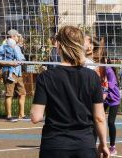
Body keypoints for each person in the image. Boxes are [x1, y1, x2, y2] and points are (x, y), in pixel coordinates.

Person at [31, 26, 110, 158]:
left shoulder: (45, 77)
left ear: (59, 47)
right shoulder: (92, 77)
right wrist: (103, 144)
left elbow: (35, 117)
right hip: (84, 145)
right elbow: (99, 117)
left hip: (54, 145)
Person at [94, 42, 121, 156]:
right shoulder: (99, 68)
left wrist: (102, 93)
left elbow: (109, 86)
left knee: (110, 122)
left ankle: (113, 146)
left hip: (114, 99)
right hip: (104, 98)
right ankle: (96, 143)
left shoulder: (108, 70)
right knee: (97, 119)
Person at [0, 29, 27, 122]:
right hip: (9, 73)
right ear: (13, 36)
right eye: (17, 36)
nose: (18, 37)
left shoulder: (16, 47)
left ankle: (21, 115)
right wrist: (10, 63)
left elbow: (21, 60)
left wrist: (20, 62)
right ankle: (9, 115)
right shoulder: (4, 47)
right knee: (9, 94)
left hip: (18, 73)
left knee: (23, 93)